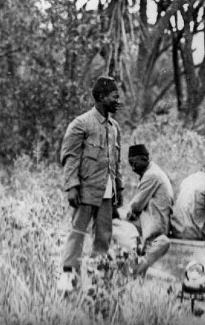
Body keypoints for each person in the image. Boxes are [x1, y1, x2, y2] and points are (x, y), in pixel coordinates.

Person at [57, 76, 124, 291]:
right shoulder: (81, 124)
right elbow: (70, 157)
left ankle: (98, 279)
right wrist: (72, 186)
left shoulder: (115, 128)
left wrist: (118, 191)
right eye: (114, 97)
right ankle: (68, 277)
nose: (118, 101)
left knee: (104, 236)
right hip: (85, 191)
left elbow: (116, 163)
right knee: (78, 232)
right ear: (102, 98)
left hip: (106, 193)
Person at [112, 144, 174, 275]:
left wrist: (117, 214)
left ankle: (135, 269)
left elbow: (136, 205)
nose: (132, 167)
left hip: (156, 222)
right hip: (153, 218)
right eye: (130, 163)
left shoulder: (151, 175)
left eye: (134, 163)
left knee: (116, 224)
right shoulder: (152, 172)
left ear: (145, 159)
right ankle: (129, 262)